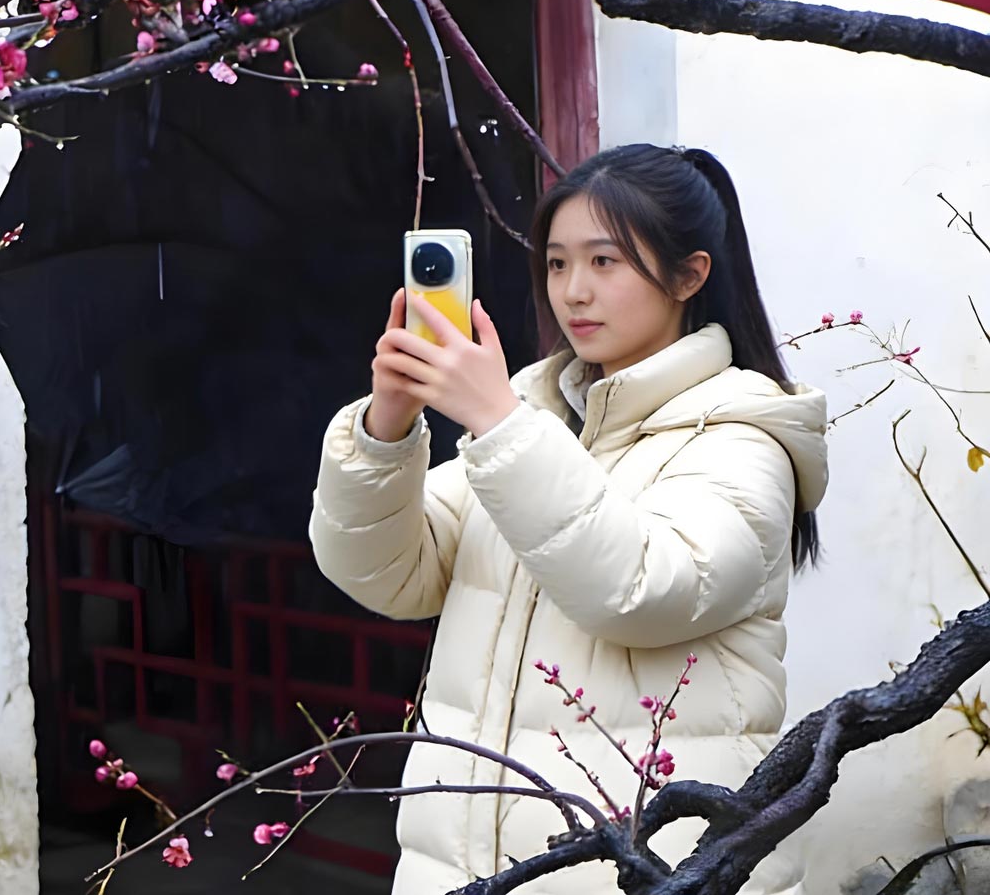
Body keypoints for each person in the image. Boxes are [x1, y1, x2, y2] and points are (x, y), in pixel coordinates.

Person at [309, 144, 827, 895]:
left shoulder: (741, 436)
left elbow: (641, 590)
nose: (573, 291)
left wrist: (498, 423)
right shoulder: (538, 417)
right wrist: (385, 429)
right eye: (556, 264)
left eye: (604, 262)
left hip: (647, 870)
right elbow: (385, 575)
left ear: (689, 275)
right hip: (459, 868)